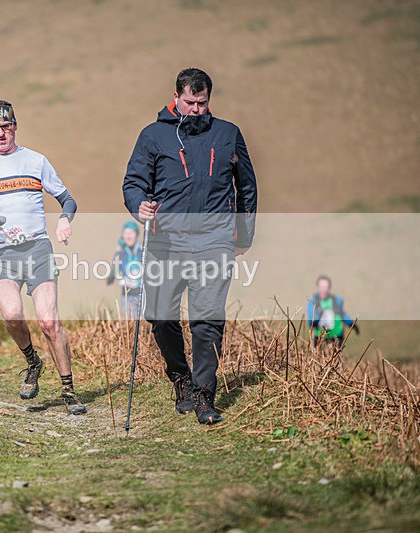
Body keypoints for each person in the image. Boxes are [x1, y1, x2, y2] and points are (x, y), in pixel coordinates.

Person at [122, 68, 258, 425]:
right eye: (189, 102)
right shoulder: (153, 136)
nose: (196, 109)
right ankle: (179, 376)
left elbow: (246, 186)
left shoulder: (227, 134)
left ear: (209, 99)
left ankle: (203, 395)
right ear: (176, 97)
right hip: (165, 241)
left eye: (202, 102)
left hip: (214, 239)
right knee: (161, 315)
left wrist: (243, 235)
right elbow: (134, 183)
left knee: (207, 318)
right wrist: (140, 206)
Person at [0, 100, 86, 415]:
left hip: (37, 248)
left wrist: (64, 219)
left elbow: (67, 199)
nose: (1, 134)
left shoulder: (36, 161)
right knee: (13, 315)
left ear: (15, 126)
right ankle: (33, 362)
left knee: (48, 320)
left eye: (6, 127)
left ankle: (69, 390)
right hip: (0, 252)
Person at [307, 275, 359, 348]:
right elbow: (311, 321)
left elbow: (343, 314)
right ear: (318, 287)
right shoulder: (313, 302)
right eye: (321, 287)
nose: (323, 289)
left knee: (336, 357)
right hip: (320, 338)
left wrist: (352, 324)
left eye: (326, 287)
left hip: (337, 336)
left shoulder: (337, 300)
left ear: (329, 288)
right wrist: (318, 316)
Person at [106, 221, 144, 319]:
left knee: (143, 322)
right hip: (127, 295)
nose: (128, 236)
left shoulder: (143, 251)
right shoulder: (120, 254)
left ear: (136, 234)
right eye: (125, 233)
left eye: (131, 233)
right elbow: (114, 271)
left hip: (142, 294)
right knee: (128, 321)